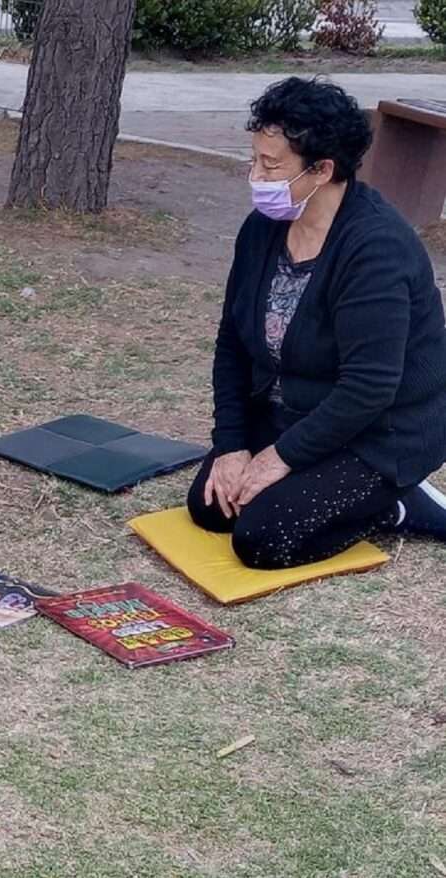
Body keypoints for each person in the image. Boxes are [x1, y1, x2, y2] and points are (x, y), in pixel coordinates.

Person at [189, 77, 446, 569]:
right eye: (254, 159)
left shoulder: (376, 249)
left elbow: (370, 387)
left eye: (271, 164)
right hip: (299, 412)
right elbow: (232, 345)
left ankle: (395, 503)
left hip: (380, 430)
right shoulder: (262, 229)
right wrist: (232, 446)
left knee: (262, 539)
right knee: (210, 506)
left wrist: (276, 459)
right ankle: (338, 488)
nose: (255, 176)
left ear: (322, 169)